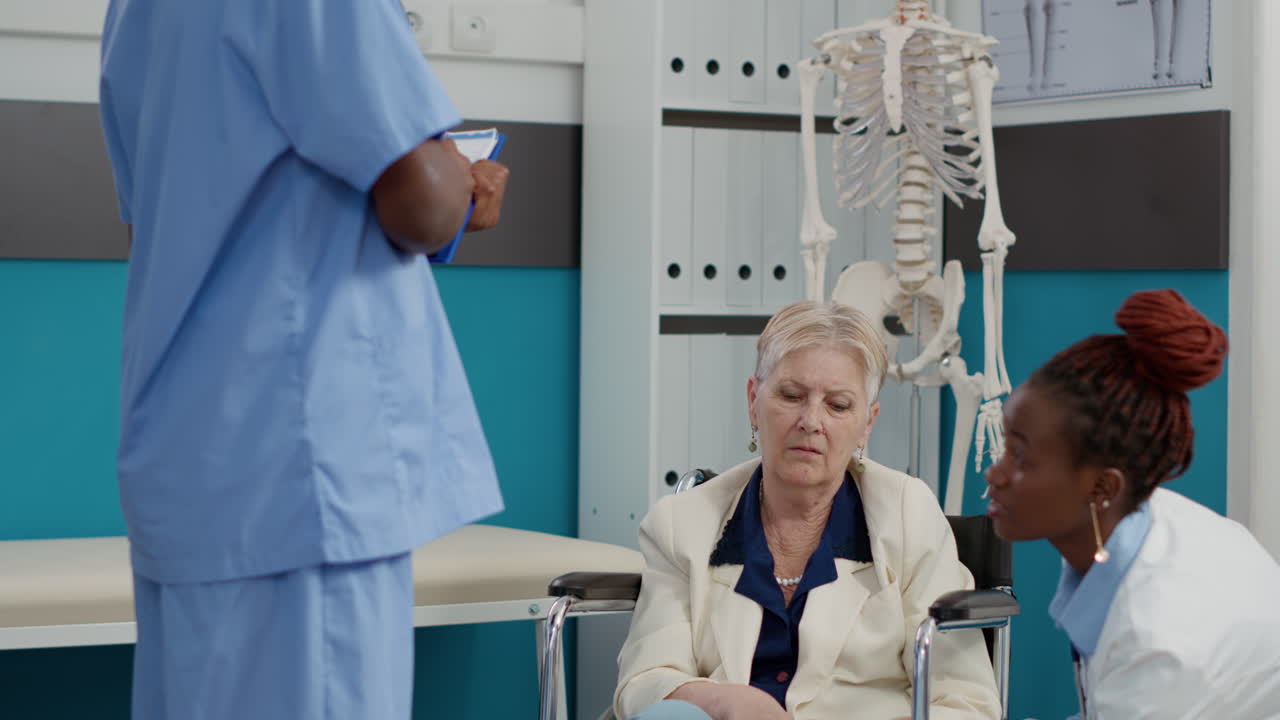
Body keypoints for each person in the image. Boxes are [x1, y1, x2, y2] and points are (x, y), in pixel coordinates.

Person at [97, 0, 511, 717]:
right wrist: (462, 179)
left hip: (192, 453)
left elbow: (157, 223)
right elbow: (419, 204)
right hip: (303, 462)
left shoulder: (134, 11)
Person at [615, 301, 1000, 720]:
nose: (811, 421)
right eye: (791, 395)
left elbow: (965, 704)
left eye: (837, 405)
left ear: (867, 424)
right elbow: (646, 680)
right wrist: (723, 702)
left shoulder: (909, 516)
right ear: (752, 401)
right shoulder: (682, 525)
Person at [984, 289, 1280, 719]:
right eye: (1006, 447)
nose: (996, 473)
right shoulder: (1133, 522)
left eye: (1022, 457)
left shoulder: (1157, 634)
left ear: (1103, 486)